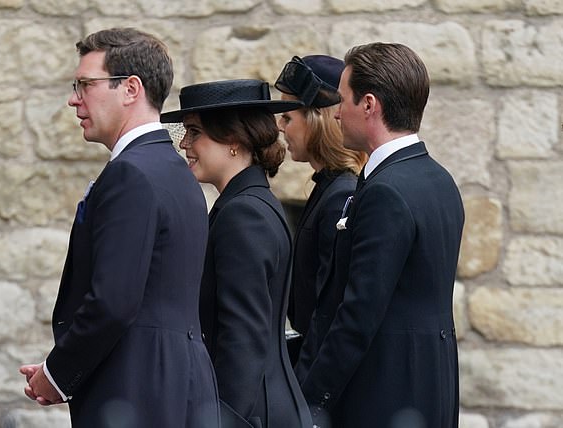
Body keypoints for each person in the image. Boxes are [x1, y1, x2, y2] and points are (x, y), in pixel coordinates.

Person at [19, 28, 220, 428]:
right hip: (177, 382)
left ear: (130, 88)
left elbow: (113, 301)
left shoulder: (132, 173)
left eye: (85, 85)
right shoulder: (172, 170)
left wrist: (57, 375)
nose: (74, 98)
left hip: (135, 389)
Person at [295, 42, 465, 428]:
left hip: (384, 393)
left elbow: (357, 314)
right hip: (432, 385)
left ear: (369, 105)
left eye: (342, 100)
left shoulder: (385, 190)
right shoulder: (439, 179)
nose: (336, 113)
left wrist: (309, 399)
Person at [161, 79, 312, 428]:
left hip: (252, 412)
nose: (184, 143)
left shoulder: (243, 213)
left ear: (233, 140)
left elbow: (243, 336)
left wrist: (222, 419)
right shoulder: (246, 203)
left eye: (194, 132)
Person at [274, 55, 367, 364]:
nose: (279, 126)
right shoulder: (327, 187)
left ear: (316, 120)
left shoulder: (341, 195)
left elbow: (330, 311)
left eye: (288, 117)